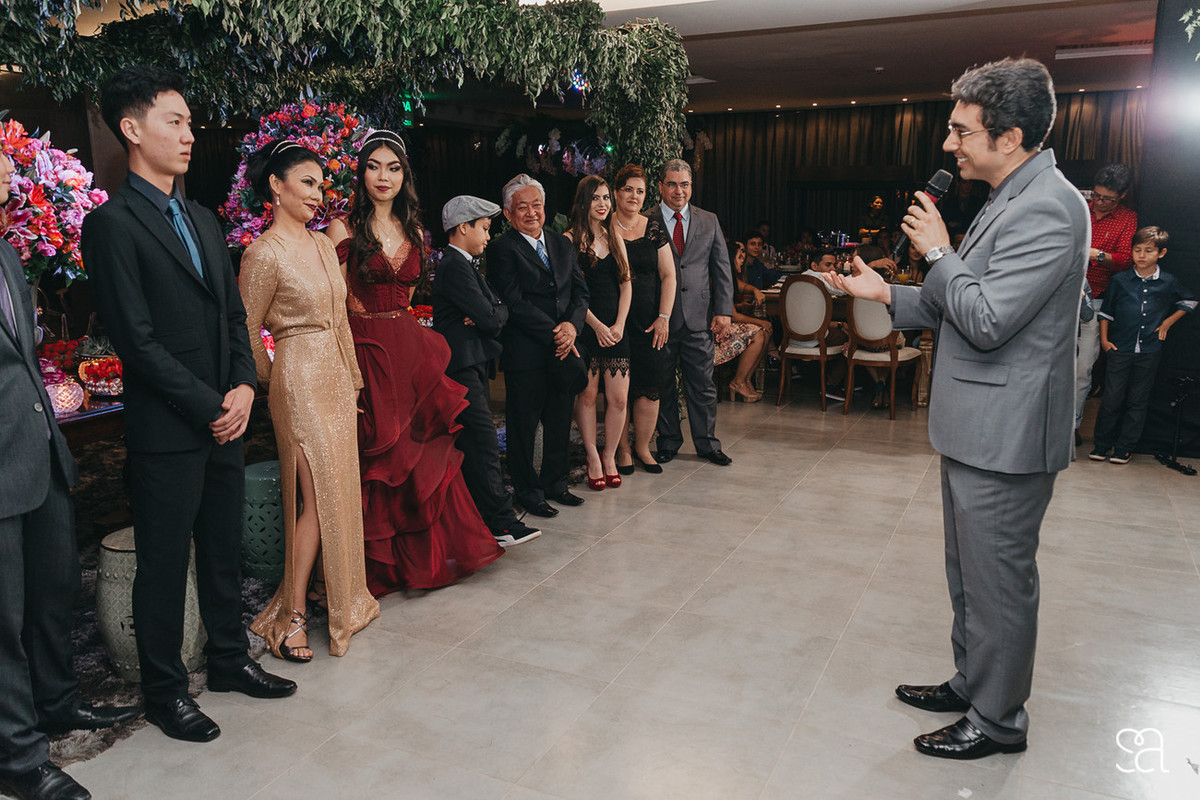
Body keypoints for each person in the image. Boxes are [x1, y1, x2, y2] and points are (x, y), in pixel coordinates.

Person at [826, 57, 1088, 760]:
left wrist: (939, 251)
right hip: (977, 427)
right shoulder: (1010, 195)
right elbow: (961, 299)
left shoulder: (1050, 207)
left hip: (1008, 433)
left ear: (1010, 136)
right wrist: (887, 294)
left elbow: (988, 318)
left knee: (999, 584)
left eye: (961, 131)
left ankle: (998, 721)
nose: (949, 144)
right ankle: (975, 682)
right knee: (970, 573)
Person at [82, 66, 296, 745]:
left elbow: (234, 317)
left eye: (190, 124)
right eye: (173, 122)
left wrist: (244, 387)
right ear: (131, 128)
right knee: (165, 563)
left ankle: (229, 661)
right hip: (170, 427)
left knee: (224, 549)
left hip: (225, 415)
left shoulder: (203, 218)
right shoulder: (111, 225)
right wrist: (211, 403)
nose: (188, 135)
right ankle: (165, 691)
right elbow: (137, 342)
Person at [0, 150, 138, 800]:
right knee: (4, 619)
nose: (9, 172)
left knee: (54, 592)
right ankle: (18, 755)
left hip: (38, 450)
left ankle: (57, 704)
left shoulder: (8, 253)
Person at [326, 130, 503, 594]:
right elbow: (334, 305)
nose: (383, 177)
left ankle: (423, 560)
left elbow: (405, 297)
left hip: (407, 347)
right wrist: (347, 368)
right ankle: (376, 569)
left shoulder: (412, 230)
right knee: (378, 457)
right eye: (373, 166)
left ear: (404, 176)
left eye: (393, 168)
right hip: (366, 349)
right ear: (361, 173)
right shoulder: (342, 229)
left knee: (419, 454)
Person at [239, 141, 380, 661]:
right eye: (307, 182)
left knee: (338, 492)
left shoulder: (323, 245)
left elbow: (341, 321)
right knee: (317, 499)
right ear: (276, 186)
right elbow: (246, 331)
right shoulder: (262, 253)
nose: (319, 194)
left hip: (336, 382)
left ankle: (336, 595)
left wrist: (354, 384)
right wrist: (276, 381)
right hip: (296, 379)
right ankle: (291, 615)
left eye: (321, 185)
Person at [431, 195, 541, 547]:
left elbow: (499, 310)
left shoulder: (465, 264)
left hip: (473, 362)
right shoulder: (454, 266)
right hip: (461, 367)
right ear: (463, 227)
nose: (488, 236)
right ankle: (501, 523)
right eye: (485, 228)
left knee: (478, 443)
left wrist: (491, 313)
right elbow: (493, 319)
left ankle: (483, 520)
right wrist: (490, 314)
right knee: (483, 443)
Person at [486, 174, 589, 516]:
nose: (531, 213)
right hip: (527, 351)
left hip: (563, 349)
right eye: (522, 207)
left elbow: (580, 293)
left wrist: (572, 327)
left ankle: (556, 483)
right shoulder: (501, 249)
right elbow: (513, 302)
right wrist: (556, 332)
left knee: (560, 420)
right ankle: (528, 491)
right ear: (508, 213)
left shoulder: (561, 243)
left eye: (537, 205)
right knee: (523, 427)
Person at [649, 158, 735, 466]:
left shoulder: (708, 220)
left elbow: (722, 269)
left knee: (703, 385)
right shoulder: (647, 220)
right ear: (661, 186)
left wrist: (723, 311)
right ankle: (668, 441)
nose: (678, 191)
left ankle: (708, 444)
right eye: (672, 184)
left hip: (699, 318)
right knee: (662, 384)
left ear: (691, 186)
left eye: (684, 184)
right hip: (659, 319)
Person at [1090, 226, 1196, 464]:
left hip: (1149, 351)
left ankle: (1124, 448)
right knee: (1111, 400)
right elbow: (1106, 313)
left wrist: (1167, 322)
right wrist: (1105, 341)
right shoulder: (1120, 280)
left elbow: (1190, 300)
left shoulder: (1168, 281)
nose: (1141, 255)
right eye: (1137, 250)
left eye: (1148, 251)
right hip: (1119, 348)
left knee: (1137, 401)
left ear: (1161, 253)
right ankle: (1102, 445)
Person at [564, 176, 632, 490]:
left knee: (618, 399)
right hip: (586, 329)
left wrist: (619, 324)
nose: (603, 204)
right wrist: (596, 325)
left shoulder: (615, 236)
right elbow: (569, 292)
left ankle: (609, 455)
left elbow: (626, 284)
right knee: (588, 395)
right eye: (596, 198)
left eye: (606, 197)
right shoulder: (568, 240)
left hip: (616, 329)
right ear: (584, 201)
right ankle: (592, 456)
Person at [608, 164, 676, 476]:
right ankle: (621, 449)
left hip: (650, 323)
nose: (634, 196)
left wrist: (664, 317)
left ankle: (643, 448)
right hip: (615, 323)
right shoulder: (604, 227)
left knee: (651, 386)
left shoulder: (653, 228)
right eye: (628, 190)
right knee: (618, 393)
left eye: (640, 191)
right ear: (616, 192)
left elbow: (669, 275)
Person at [1075, 163, 1138, 438]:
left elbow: (1126, 260)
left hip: (1096, 300)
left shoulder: (1127, 218)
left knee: (1083, 368)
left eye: (1108, 199)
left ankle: (1071, 426)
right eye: (1097, 196)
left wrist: (1098, 255)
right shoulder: (1078, 206)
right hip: (1061, 295)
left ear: (1122, 195)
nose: (1099, 202)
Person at [720, 240, 770, 402]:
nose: (743, 260)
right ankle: (738, 382)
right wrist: (760, 322)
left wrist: (755, 290)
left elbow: (743, 287)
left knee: (766, 332)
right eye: (740, 257)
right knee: (759, 333)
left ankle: (746, 379)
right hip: (716, 330)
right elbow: (732, 316)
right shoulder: (721, 278)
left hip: (726, 324)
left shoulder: (731, 277)